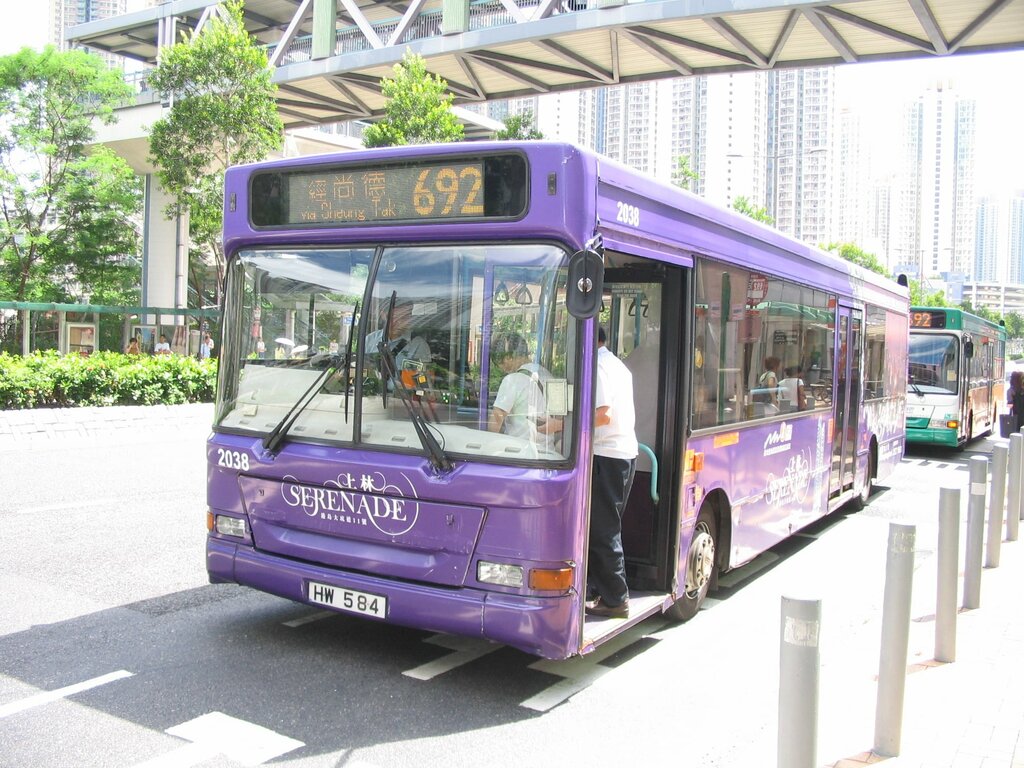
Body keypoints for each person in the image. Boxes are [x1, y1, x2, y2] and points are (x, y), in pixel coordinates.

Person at [586, 327, 639, 619]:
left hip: (607, 455)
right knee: (603, 526)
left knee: (602, 528)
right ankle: (600, 590)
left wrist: (565, 427)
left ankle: (616, 598)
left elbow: (602, 414)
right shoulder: (617, 364)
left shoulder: (599, 365)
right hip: (621, 453)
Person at [487, 332, 560, 447]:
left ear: (508, 357)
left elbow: (496, 419)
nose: (500, 368)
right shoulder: (547, 375)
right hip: (547, 452)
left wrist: (487, 445)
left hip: (519, 453)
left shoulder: (512, 380)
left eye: (498, 363)